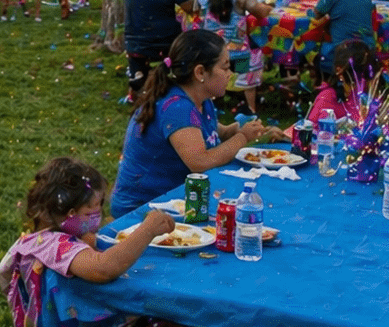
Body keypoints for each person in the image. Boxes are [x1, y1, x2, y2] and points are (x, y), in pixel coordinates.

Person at [0, 158, 195, 327]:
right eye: (94, 208)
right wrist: (148, 230)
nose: (100, 216)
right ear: (69, 213)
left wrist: (83, 239)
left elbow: (4, 273)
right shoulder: (56, 247)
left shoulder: (38, 240)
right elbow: (104, 268)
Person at [109, 30, 276, 219]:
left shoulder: (200, 100)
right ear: (200, 72)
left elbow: (213, 132)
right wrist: (243, 137)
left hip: (174, 202)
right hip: (141, 210)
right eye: (225, 67)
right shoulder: (177, 108)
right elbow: (200, 162)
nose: (230, 74)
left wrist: (248, 129)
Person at [193, 0, 272, 115]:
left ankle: (206, 105)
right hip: (238, 56)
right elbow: (261, 12)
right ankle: (251, 108)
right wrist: (269, 6)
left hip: (210, 53)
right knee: (255, 52)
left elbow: (198, 19)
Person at [306, 0, 375, 76]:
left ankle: (324, 82)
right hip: (368, 52)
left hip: (343, 54)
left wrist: (309, 11)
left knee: (312, 49)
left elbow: (314, 17)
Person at [308, 40, 381, 123]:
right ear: (340, 72)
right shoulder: (327, 99)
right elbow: (310, 130)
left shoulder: (366, 97)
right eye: (356, 78)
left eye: (367, 76)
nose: (363, 82)